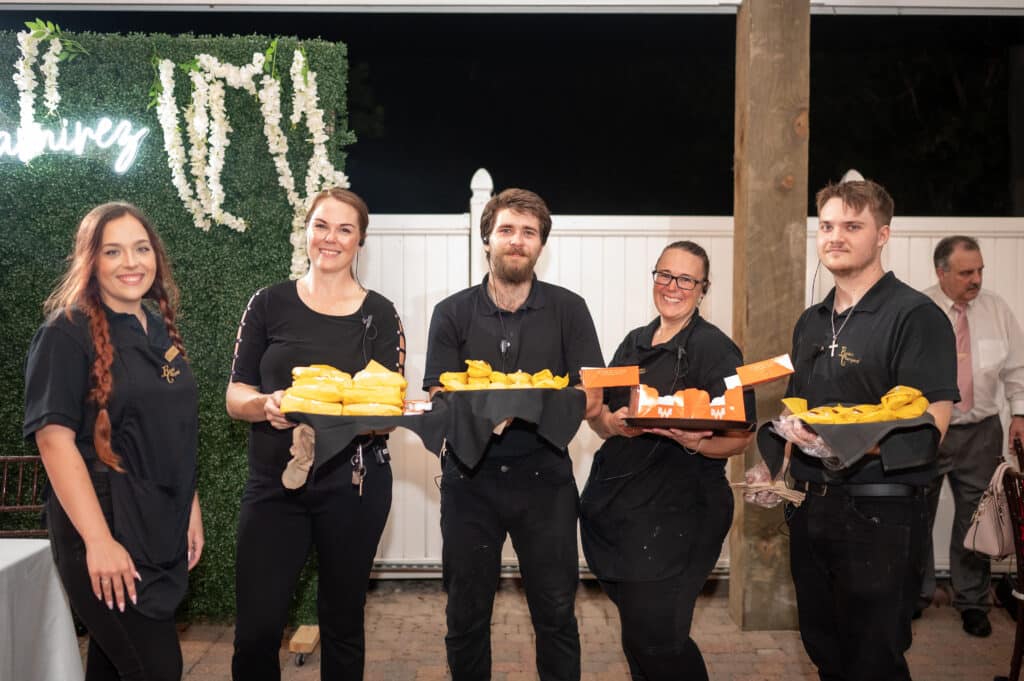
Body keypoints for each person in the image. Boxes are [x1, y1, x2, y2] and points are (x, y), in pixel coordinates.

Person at [747, 179, 958, 681]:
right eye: (826, 225)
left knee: (873, 658)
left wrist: (845, 446)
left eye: (852, 226)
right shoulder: (812, 322)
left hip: (880, 511)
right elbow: (801, 412)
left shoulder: (915, 315)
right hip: (813, 507)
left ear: (883, 235)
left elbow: (935, 420)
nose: (835, 236)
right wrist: (771, 467)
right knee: (825, 649)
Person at [423, 188, 604, 681]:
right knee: (465, 614)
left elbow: (591, 395)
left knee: (556, 614)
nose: (517, 241)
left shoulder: (569, 309)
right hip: (469, 478)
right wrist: (489, 411)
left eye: (528, 232)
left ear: (541, 244)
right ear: (487, 239)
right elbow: (438, 393)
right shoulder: (452, 312)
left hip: (544, 480)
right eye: (507, 230)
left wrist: (524, 406)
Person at [226, 187, 405, 681]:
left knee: (344, 623)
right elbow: (235, 394)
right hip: (274, 487)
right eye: (321, 225)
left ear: (360, 241)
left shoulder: (381, 314)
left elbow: (389, 411)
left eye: (345, 229)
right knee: (258, 629)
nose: (331, 238)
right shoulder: (268, 303)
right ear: (306, 231)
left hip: (354, 485)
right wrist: (266, 404)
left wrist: (343, 416)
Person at [24, 202, 203, 681]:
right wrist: (99, 542)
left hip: (158, 524)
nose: (132, 262)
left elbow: (173, 429)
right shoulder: (65, 332)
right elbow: (54, 441)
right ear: (91, 261)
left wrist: (190, 504)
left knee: (113, 663)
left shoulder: (157, 327)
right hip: (102, 529)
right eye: (114, 251)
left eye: (141, 249)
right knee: (158, 667)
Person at [579, 241, 755, 681]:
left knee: (659, 638)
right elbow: (602, 421)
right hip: (620, 512)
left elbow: (741, 435)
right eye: (664, 275)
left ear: (702, 289)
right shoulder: (633, 343)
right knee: (639, 636)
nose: (672, 287)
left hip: (680, 515)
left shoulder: (717, 350)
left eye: (685, 280)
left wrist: (691, 441)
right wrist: (606, 420)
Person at [918, 235, 1024, 636]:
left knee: (976, 519)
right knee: (915, 514)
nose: (976, 279)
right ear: (940, 272)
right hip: (928, 428)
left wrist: (1020, 414)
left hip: (981, 431)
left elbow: (1017, 368)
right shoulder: (919, 310)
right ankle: (914, 596)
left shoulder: (996, 309)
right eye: (966, 272)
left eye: (979, 270)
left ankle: (972, 602)